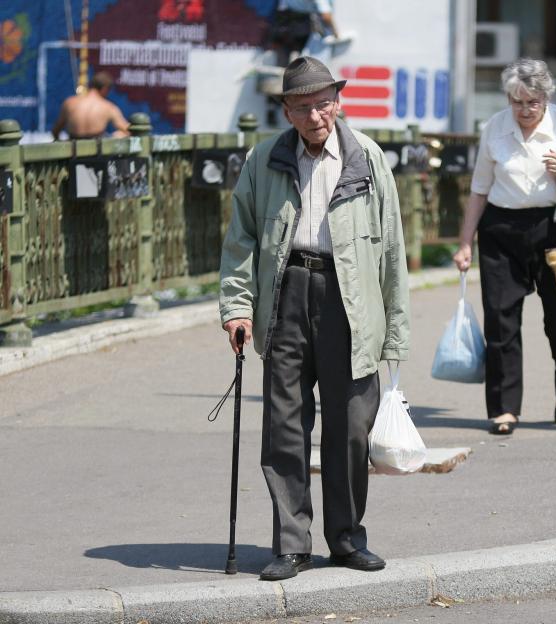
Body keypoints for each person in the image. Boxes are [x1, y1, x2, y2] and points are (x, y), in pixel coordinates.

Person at [219, 56, 409, 581]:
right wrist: (237, 306)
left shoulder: (366, 158)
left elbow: (392, 246)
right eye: (303, 107)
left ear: (338, 102)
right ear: (286, 110)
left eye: (324, 103)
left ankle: (346, 539)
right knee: (284, 424)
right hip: (285, 293)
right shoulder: (264, 160)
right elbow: (240, 241)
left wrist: (395, 329)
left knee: (350, 425)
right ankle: (292, 543)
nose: (316, 115)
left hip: (349, 299)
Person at [453, 58, 556, 435]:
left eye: (532, 102)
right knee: (501, 320)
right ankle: (504, 408)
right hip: (501, 229)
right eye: (517, 102)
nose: (524, 110)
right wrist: (464, 244)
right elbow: (479, 190)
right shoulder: (495, 127)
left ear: (546, 98)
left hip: (555, 228)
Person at [51, 72, 130, 140]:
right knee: (119, 134)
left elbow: (55, 131)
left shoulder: (69, 102)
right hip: (97, 152)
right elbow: (128, 130)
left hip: (73, 150)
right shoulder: (108, 107)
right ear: (105, 89)